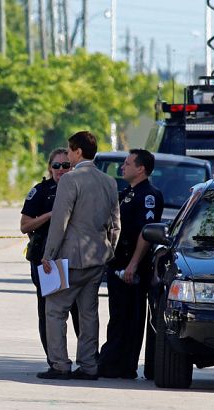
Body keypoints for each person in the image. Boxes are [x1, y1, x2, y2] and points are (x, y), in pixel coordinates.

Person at [38, 131, 120, 380]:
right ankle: (88, 365)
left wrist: (48, 254)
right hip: (97, 257)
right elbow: (115, 222)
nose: (69, 155)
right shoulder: (109, 181)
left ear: (78, 152)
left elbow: (60, 221)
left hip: (70, 258)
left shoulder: (70, 180)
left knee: (55, 310)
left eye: (70, 151)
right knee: (88, 313)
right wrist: (110, 249)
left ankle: (60, 364)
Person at [99, 149, 164, 379]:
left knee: (131, 317)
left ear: (141, 168)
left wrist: (133, 265)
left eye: (127, 164)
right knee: (118, 316)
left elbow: (145, 234)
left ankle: (123, 365)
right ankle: (111, 361)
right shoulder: (128, 192)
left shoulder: (148, 195)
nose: (122, 167)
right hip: (117, 264)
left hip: (132, 267)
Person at [20, 148, 80, 363]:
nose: (61, 170)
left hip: (74, 257)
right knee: (49, 310)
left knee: (79, 311)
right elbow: (25, 226)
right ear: (49, 167)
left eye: (66, 165)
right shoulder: (41, 191)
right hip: (47, 260)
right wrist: (49, 215)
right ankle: (54, 359)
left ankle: (87, 360)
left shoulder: (79, 188)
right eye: (56, 166)